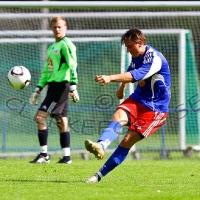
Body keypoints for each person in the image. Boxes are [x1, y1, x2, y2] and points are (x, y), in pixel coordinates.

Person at [84, 28, 171, 182]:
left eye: (130, 47)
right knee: (118, 115)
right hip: (138, 99)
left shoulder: (154, 59)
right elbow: (131, 69)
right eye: (127, 47)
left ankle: (98, 175)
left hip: (155, 109)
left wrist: (110, 78)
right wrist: (122, 88)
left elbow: (135, 75)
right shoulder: (137, 56)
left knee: (126, 140)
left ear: (141, 43)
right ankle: (101, 145)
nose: (128, 50)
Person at [29, 16, 79, 164]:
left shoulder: (66, 45)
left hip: (62, 86)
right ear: (51, 28)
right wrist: (37, 90)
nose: (57, 29)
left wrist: (73, 87)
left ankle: (44, 155)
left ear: (65, 28)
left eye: (60, 27)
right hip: (52, 86)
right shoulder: (52, 47)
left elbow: (72, 65)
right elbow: (46, 71)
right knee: (61, 120)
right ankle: (67, 157)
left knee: (39, 117)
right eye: (55, 27)